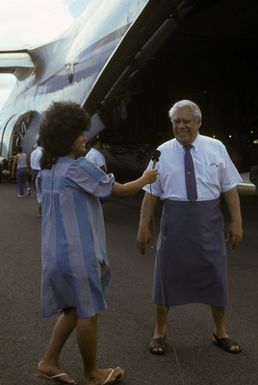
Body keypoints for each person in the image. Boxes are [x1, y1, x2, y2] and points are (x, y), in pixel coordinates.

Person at [35, 101, 157, 385]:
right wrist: (147, 178)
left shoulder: (48, 171)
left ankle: (49, 361)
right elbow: (123, 191)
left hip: (54, 254)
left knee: (73, 309)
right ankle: (92, 374)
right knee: (87, 313)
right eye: (80, 132)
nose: (84, 137)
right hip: (78, 254)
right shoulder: (80, 168)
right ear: (67, 136)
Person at [137, 99, 243, 356]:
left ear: (198, 122)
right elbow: (150, 194)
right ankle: (159, 331)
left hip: (209, 223)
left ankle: (220, 331)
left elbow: (229, 188)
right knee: (165, 278)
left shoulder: (215, 147)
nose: (181, 126)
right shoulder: (162, 151)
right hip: (175, 223)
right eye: (176, 122)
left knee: (216, 277)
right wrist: (143, 227)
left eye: (186, 121)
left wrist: (236, 223)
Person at [30, 138, 43, 216]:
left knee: (38, 192)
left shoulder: (33, 152)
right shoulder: (42, 152)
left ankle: (39, 209)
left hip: (34, 172)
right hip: (41, 172)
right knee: (44, 191)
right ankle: (42, 209)